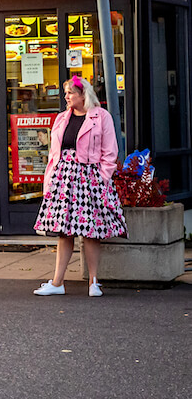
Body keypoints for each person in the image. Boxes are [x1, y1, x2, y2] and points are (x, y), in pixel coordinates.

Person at [33, 75, 126, 297]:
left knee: (91, 231)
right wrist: (51, 178)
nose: (66, 96)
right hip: (63, 178)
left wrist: (102, 178)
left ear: (83, 94)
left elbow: (110, 151)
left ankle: (94, 282)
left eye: (70, 93)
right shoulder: (61, 118)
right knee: (63, 232)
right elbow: (54, 152)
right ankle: (57, 282)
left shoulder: (101, 117)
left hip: (89, 178)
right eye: (66, 92)